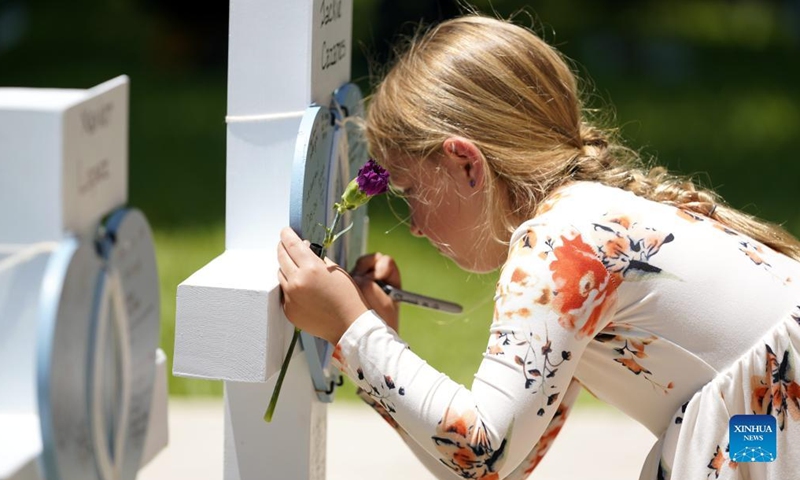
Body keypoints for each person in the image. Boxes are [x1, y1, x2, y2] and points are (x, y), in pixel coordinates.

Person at [276, 14, 800, 480]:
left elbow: (484, 451)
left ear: (466, 164)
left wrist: (350, 328)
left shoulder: (561, 241)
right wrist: (375, 344)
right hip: (764, 430)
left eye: (410, 191)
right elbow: (501, 466)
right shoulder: (583, 219)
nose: (412, 225)